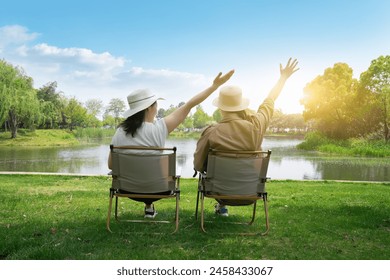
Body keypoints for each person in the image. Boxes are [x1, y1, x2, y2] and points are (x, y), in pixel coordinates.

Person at [108, 69, 234, 218]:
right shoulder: (160, 128)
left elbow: (111, 165)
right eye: (156, 104)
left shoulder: (120, 131)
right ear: (149, 108)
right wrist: (214, 86)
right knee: (154, 174)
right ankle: (149, 207)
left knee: (143, 173)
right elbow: (189, 105)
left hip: (126, 189)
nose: (157, 107)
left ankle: (149, 208)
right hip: (159, 189)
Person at [193, 58, 299, 217]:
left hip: (217, 190)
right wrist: (283, 78)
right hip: (250, 192)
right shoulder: (256, 126)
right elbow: (269, 101)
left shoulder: (211, 132)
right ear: (241, 105)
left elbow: (198, 165)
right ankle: (222, 207)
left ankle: (221, 206)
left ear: (221, 108)